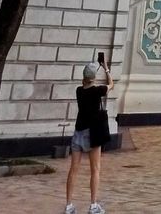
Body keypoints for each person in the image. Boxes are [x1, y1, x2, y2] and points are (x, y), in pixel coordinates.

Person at [65, 58, 113, 214]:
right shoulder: (97, 91)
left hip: (78, 132)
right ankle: (93, 205)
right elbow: (111, 85)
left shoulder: (79, 90)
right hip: (92, 134)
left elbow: (86, 84)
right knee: (95, 169)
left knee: (73, 169)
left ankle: (69, 205)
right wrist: (106, 68)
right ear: (94, 77)